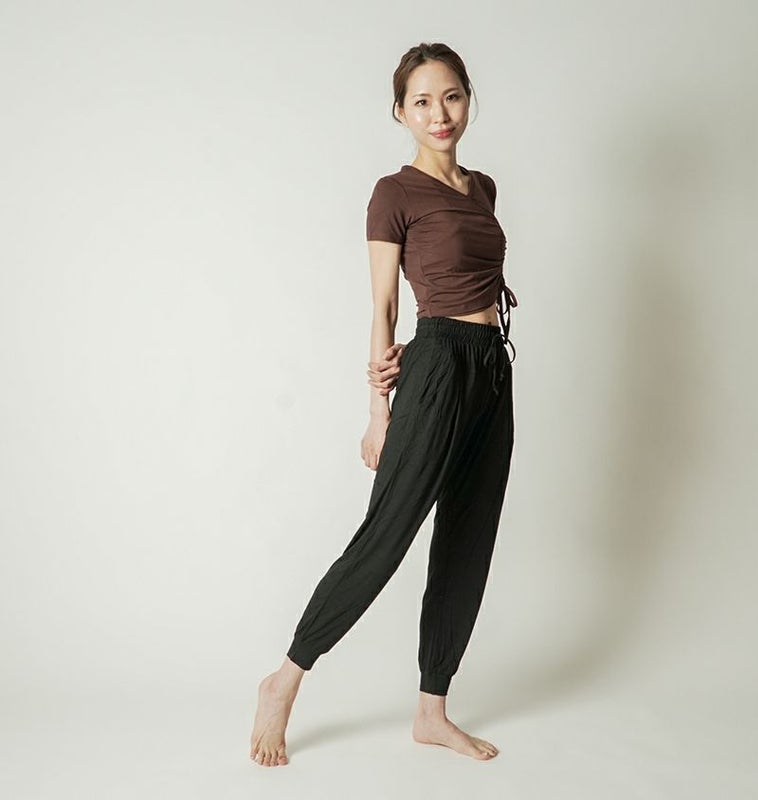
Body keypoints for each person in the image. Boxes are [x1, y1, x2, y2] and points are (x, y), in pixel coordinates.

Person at [250, 41, 518, 767]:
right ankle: (285, 679)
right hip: (435, 366)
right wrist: (380, 412)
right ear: (400, 111)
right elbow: (385, 306)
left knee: (469, 537)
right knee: (386, 534)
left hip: (492, 367)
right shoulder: (393, 193)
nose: (440, 113)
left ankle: (432, 711)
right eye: (422, 101)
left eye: (452, 96)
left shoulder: (483, 188)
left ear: (468, 99)